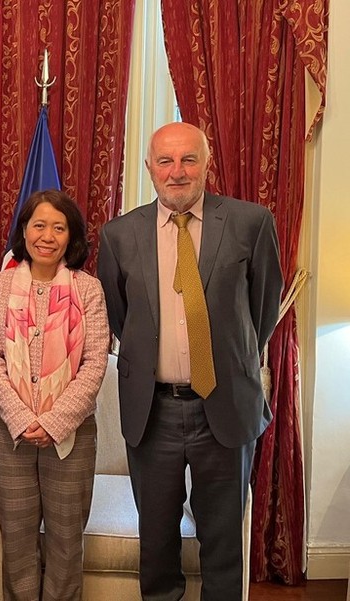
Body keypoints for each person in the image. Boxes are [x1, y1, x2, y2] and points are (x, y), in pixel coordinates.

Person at [97, 122, 283, 600]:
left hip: (223, 405)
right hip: (152, 412)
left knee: (221, 543)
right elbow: (121, 319)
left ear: (206, 164)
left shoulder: (250, 222)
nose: (176, 172)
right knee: (156, 545)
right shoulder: (119, 235)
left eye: (188, 160)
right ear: (149, 169)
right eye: (165, 161)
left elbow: (261, 311)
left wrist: (224, 355)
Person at [0, 190, 110, 601]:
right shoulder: (1, 285)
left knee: (66, 543)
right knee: (17, 543)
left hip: (71, 437)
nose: (48, 236)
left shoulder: (88, 290)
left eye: (59, 227)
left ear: (71, 237)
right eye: (39, 225)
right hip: (10, 436)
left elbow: (95, 363)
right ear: (24, 231)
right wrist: (22, 419)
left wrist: (53, 422)